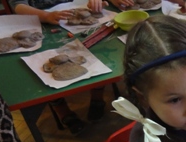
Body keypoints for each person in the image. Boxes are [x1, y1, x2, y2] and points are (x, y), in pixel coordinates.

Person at [8, 0, 132, 134]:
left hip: (80, 23)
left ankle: (97, 98)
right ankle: (63, 111)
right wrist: (45, 16)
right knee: (46, 70)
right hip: (42, 24)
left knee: (97, 59)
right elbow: (18, 5)